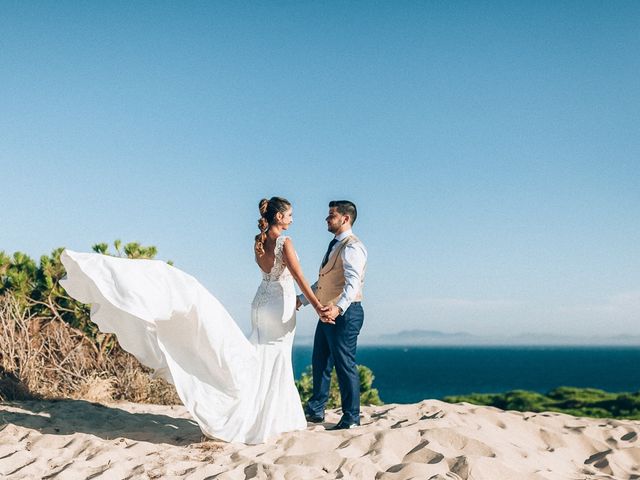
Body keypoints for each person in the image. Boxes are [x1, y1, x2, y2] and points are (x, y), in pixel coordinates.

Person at [60, 196, 324, 444]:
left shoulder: (259, 242)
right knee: (274, 358)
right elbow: (298, 277)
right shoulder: (284, 242)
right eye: (289, 215)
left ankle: (269, 417)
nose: (291, 219)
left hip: (261, 303)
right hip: (278, 305)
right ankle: (264, 421)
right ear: (279, 216)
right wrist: (317, 306)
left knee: (264, 358)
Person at [297, 200, 368, 430]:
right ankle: (316, 410)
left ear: (345, 218)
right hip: (327, 313)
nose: (327, 219)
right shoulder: (336, 245)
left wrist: (339, 308)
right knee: (320, 362)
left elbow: (352, 283)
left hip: (346, 314)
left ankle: (351, 418)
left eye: (331, 215)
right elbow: (324, 282)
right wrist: (302, 300)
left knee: (344, 364)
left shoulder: (352, 247)